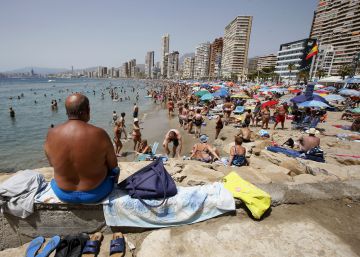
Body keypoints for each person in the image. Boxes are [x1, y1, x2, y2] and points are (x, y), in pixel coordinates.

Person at [44, 93, 119, 204]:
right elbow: (113, 165)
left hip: (63, 193)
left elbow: (52, 164)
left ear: (67, 112)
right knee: (115, 171)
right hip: (96, 193)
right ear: (88, 110)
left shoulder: (51, 134)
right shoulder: (99, 134)